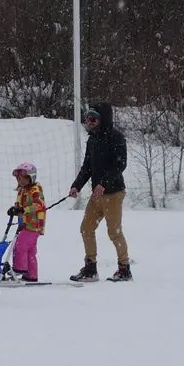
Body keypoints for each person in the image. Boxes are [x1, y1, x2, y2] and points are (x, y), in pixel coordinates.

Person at [68, 103, 131, 282]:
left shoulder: (117, 138)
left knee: (114, 232)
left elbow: (120, 164)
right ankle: (90, 268)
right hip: (96, 195)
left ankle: (124, 269)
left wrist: (104, 183)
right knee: (86, 228)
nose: (90, 122)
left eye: (93, 118)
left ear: (103, 119)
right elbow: (87, 167)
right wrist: (76, 186)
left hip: (113, 194)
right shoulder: (93, 139)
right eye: (88, 118)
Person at [8, 162, 47, 282]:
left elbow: (39, 204)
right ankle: (31, 275)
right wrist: (15, 209)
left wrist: (24, 209)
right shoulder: (22, 190)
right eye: (18, 178)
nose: (20, 181)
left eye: (23, 178)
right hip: (25, 224)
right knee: (30, 250)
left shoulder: (35, 189)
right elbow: (20, 204)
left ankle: (19, 268)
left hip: (33, 224)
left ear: (31, 178)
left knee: (20, 245)